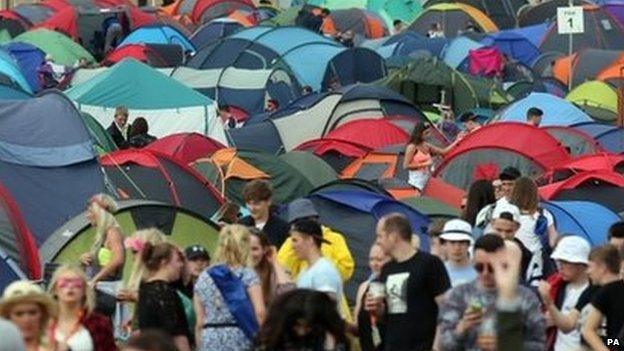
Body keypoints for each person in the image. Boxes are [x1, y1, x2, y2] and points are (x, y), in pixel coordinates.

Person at [438, 235, 545, 351]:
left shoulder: (526, 298)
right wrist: (462, 327)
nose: (485, 273)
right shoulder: (459, 294)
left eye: (491, 268)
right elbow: (444, 345)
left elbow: (539, 345)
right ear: (473, 262)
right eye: (479, 267)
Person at [365, 213, 450, 351]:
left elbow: (447, 308)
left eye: (380, 236)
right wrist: (377, 309)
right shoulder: (387, 269)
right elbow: (388, 316)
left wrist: (437, 346)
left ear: (393, 236)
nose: (378, 241)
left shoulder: (429, 263)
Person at [194, 225, 265, 351]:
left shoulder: (204, 276)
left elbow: (200, 321)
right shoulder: (247, 274)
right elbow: (259, 312)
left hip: (210, 338)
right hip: (239, 336)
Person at [278, 198, 354, 283]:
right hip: (303, 292)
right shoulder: (291, 242)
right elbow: (283, 270)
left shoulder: (334, 238)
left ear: (314, 219)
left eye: (307, 219)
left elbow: (347, 270)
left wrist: (322, 266)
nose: (303, 225)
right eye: (297, 222)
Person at [537, 236, 592, 351]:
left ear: (582, 264)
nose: (560, 267)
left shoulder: (600, 292)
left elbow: (615, 339)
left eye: (566, 262)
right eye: (559, 261)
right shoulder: (556, 286)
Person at [47, 265, 116, 351]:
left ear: (84, 290)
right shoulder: (42, 322)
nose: (70, 287)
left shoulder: (98, 323)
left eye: (76, 283)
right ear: (55, 289)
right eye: (64, 283)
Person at [137, 242, 190, 351]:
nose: (181, 265)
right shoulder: (165, 292)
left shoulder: (144, 290)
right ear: (164, 262)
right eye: (178, 260)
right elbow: (177, 334)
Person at [255, 289, 349, 350]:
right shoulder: (275, 336)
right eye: (297, 325)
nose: (302, 331)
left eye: (309, 327)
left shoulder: (330, 338)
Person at [79, 194, 125, 317]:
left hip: (108, 291)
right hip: (101, 289)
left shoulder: (113, 231)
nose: (87, 216)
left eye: (90, 211)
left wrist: (95, 279)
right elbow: (105, 258)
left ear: (98, 212)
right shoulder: (102, 235)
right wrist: (85, 259)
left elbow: (118, 259)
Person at [511, 177, 558, 281]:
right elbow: (553, 242)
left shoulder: (510, 213)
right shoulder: (544, 214)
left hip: (513, 257)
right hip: (536, 260)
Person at [581, 245, 624, 351]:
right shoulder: (607, 291)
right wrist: (607, 342)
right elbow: (588, 331)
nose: (588, 271)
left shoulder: (606, 291)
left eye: (590, 266)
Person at [290, 219, 343, 302]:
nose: (292, 246)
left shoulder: (323, 271)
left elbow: (325, 308)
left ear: (310, 240)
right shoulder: (306, 270)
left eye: (295, 240)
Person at [403, 123, 460, 195]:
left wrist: (457, 141)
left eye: (429, 132)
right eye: (426, 133)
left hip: (427, 180)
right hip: (416, 183)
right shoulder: (412, 147)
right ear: (419, 133)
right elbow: (406, 165)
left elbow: (443, 152)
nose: (428, 135)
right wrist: (425, 164)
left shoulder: (426, 145)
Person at [353, 244, 390, 351]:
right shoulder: (364, 287)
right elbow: (357, 329)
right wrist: (340, 323)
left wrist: (380, 312)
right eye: (371, 259)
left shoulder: (395, 287)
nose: (374, 264)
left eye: (379, 260)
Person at [0, 281, 56, 351]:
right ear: (7, 318)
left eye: (32, 313)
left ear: (43, 315)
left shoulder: (59, 348)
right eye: (19, 314)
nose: (26, 320)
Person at [487, 203, 533, 283]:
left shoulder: (526, 255)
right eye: (499, 230)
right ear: (492, 223)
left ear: (517, 227)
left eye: (508, 231)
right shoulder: (480, 250)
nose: (503, 236)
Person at [249, 228, 294, 307]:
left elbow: (290, 295)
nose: (249, 254)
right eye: (245, 249)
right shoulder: (236, 271)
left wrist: (274, 262)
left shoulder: (276, 270)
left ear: (265, 249)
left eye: (254, 249)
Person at [238, 180, 289, 248]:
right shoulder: (241, 225)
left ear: (268, 201)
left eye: (256, 204)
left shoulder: (283, 228)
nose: (252, 208)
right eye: (249, 203)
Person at [440, 219, 477, 287]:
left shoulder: (481, 273)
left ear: (469, 244)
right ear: (445, 244)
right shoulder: (437, 273)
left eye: (462, 242)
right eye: (452, 242)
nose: (457, 248)